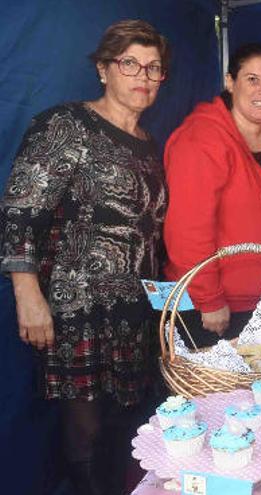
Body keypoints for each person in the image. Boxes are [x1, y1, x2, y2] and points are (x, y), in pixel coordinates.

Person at [0, 20, 169, 495]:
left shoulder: (149, 144)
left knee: (123, 426)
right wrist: (28, 296)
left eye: (154, 68)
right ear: (103, 69)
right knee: (85, 430)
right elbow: (19, 212)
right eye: (130, 63)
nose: (144, 75)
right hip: (76, 309)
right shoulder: (66, 125)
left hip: (133, 312)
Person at [163, 43, 261, 348]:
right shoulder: (200, 139)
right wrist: (209, 298)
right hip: (214, 308)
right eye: (252, 79)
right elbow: (187, 229)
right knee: (218, 395)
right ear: (229, 81)